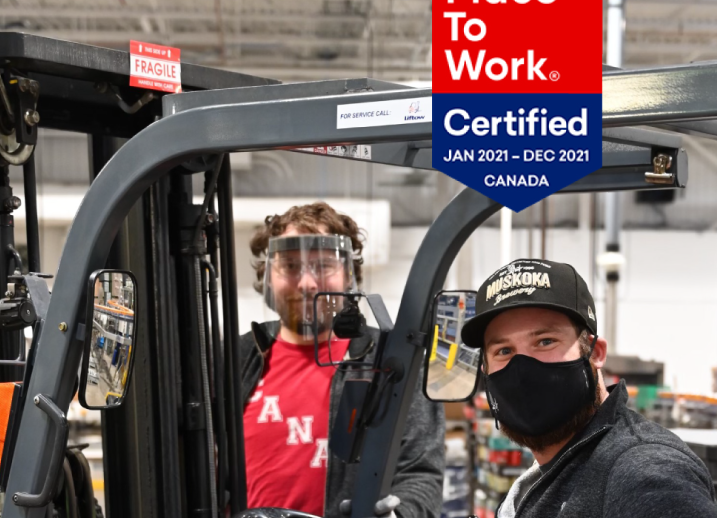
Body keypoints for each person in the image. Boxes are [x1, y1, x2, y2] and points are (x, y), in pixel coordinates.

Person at [460, 259, 717, 518]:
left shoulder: (646, 475)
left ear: (596, 353)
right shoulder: (553, 468)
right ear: (485, 371)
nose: (522, 370)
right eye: (504, 351)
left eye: (545, 341)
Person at [240, 202, 444, 518]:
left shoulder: (392, 361)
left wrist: (398, 515)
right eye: (290, 266)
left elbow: (421, 472)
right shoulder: (238, 359)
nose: (307, 284)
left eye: (323, 266)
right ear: (267, 276)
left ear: (349, 274)